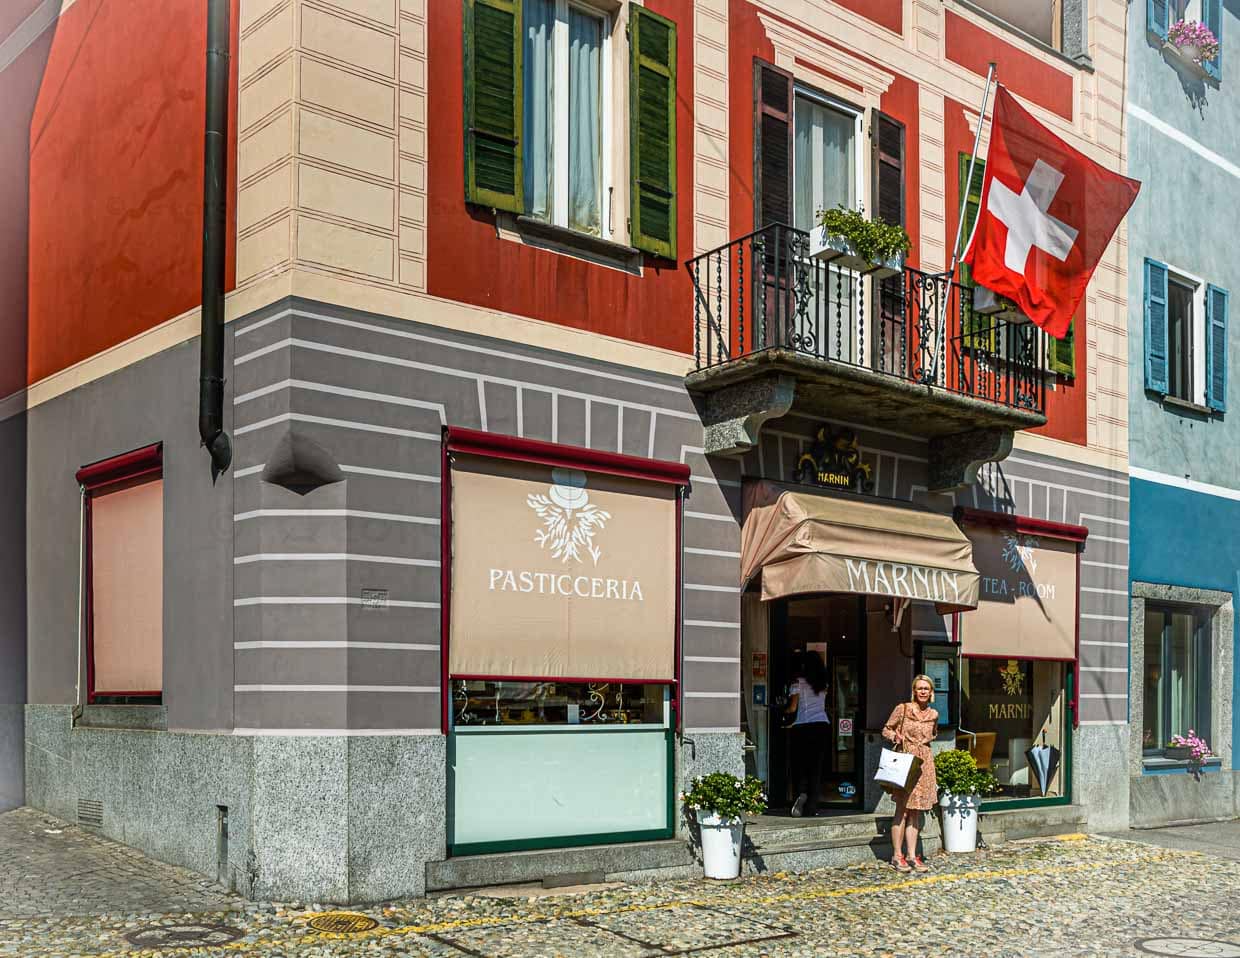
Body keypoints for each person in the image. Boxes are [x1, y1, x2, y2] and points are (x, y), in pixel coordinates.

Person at [881, 674, 939, 873]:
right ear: (914, 691)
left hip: (924, 763)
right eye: (919, 688)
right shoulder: (903, 708)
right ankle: (897, 855)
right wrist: (894, 736)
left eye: (926, 688)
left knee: (916, 811)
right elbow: (886, 729)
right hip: (905, 760)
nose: (923, 691)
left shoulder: (934, 714)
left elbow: (934, 734)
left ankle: (912, 855)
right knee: (903, 809)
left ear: (931, 692)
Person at [783, 652, 830, 817]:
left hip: (803, 727)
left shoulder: (798, 684)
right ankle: (812, 806)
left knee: (799, 766)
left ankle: (800, 794)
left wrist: (784, 710)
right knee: (816, 768)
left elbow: (793, 708)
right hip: (822, 726)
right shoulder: (823, 684)